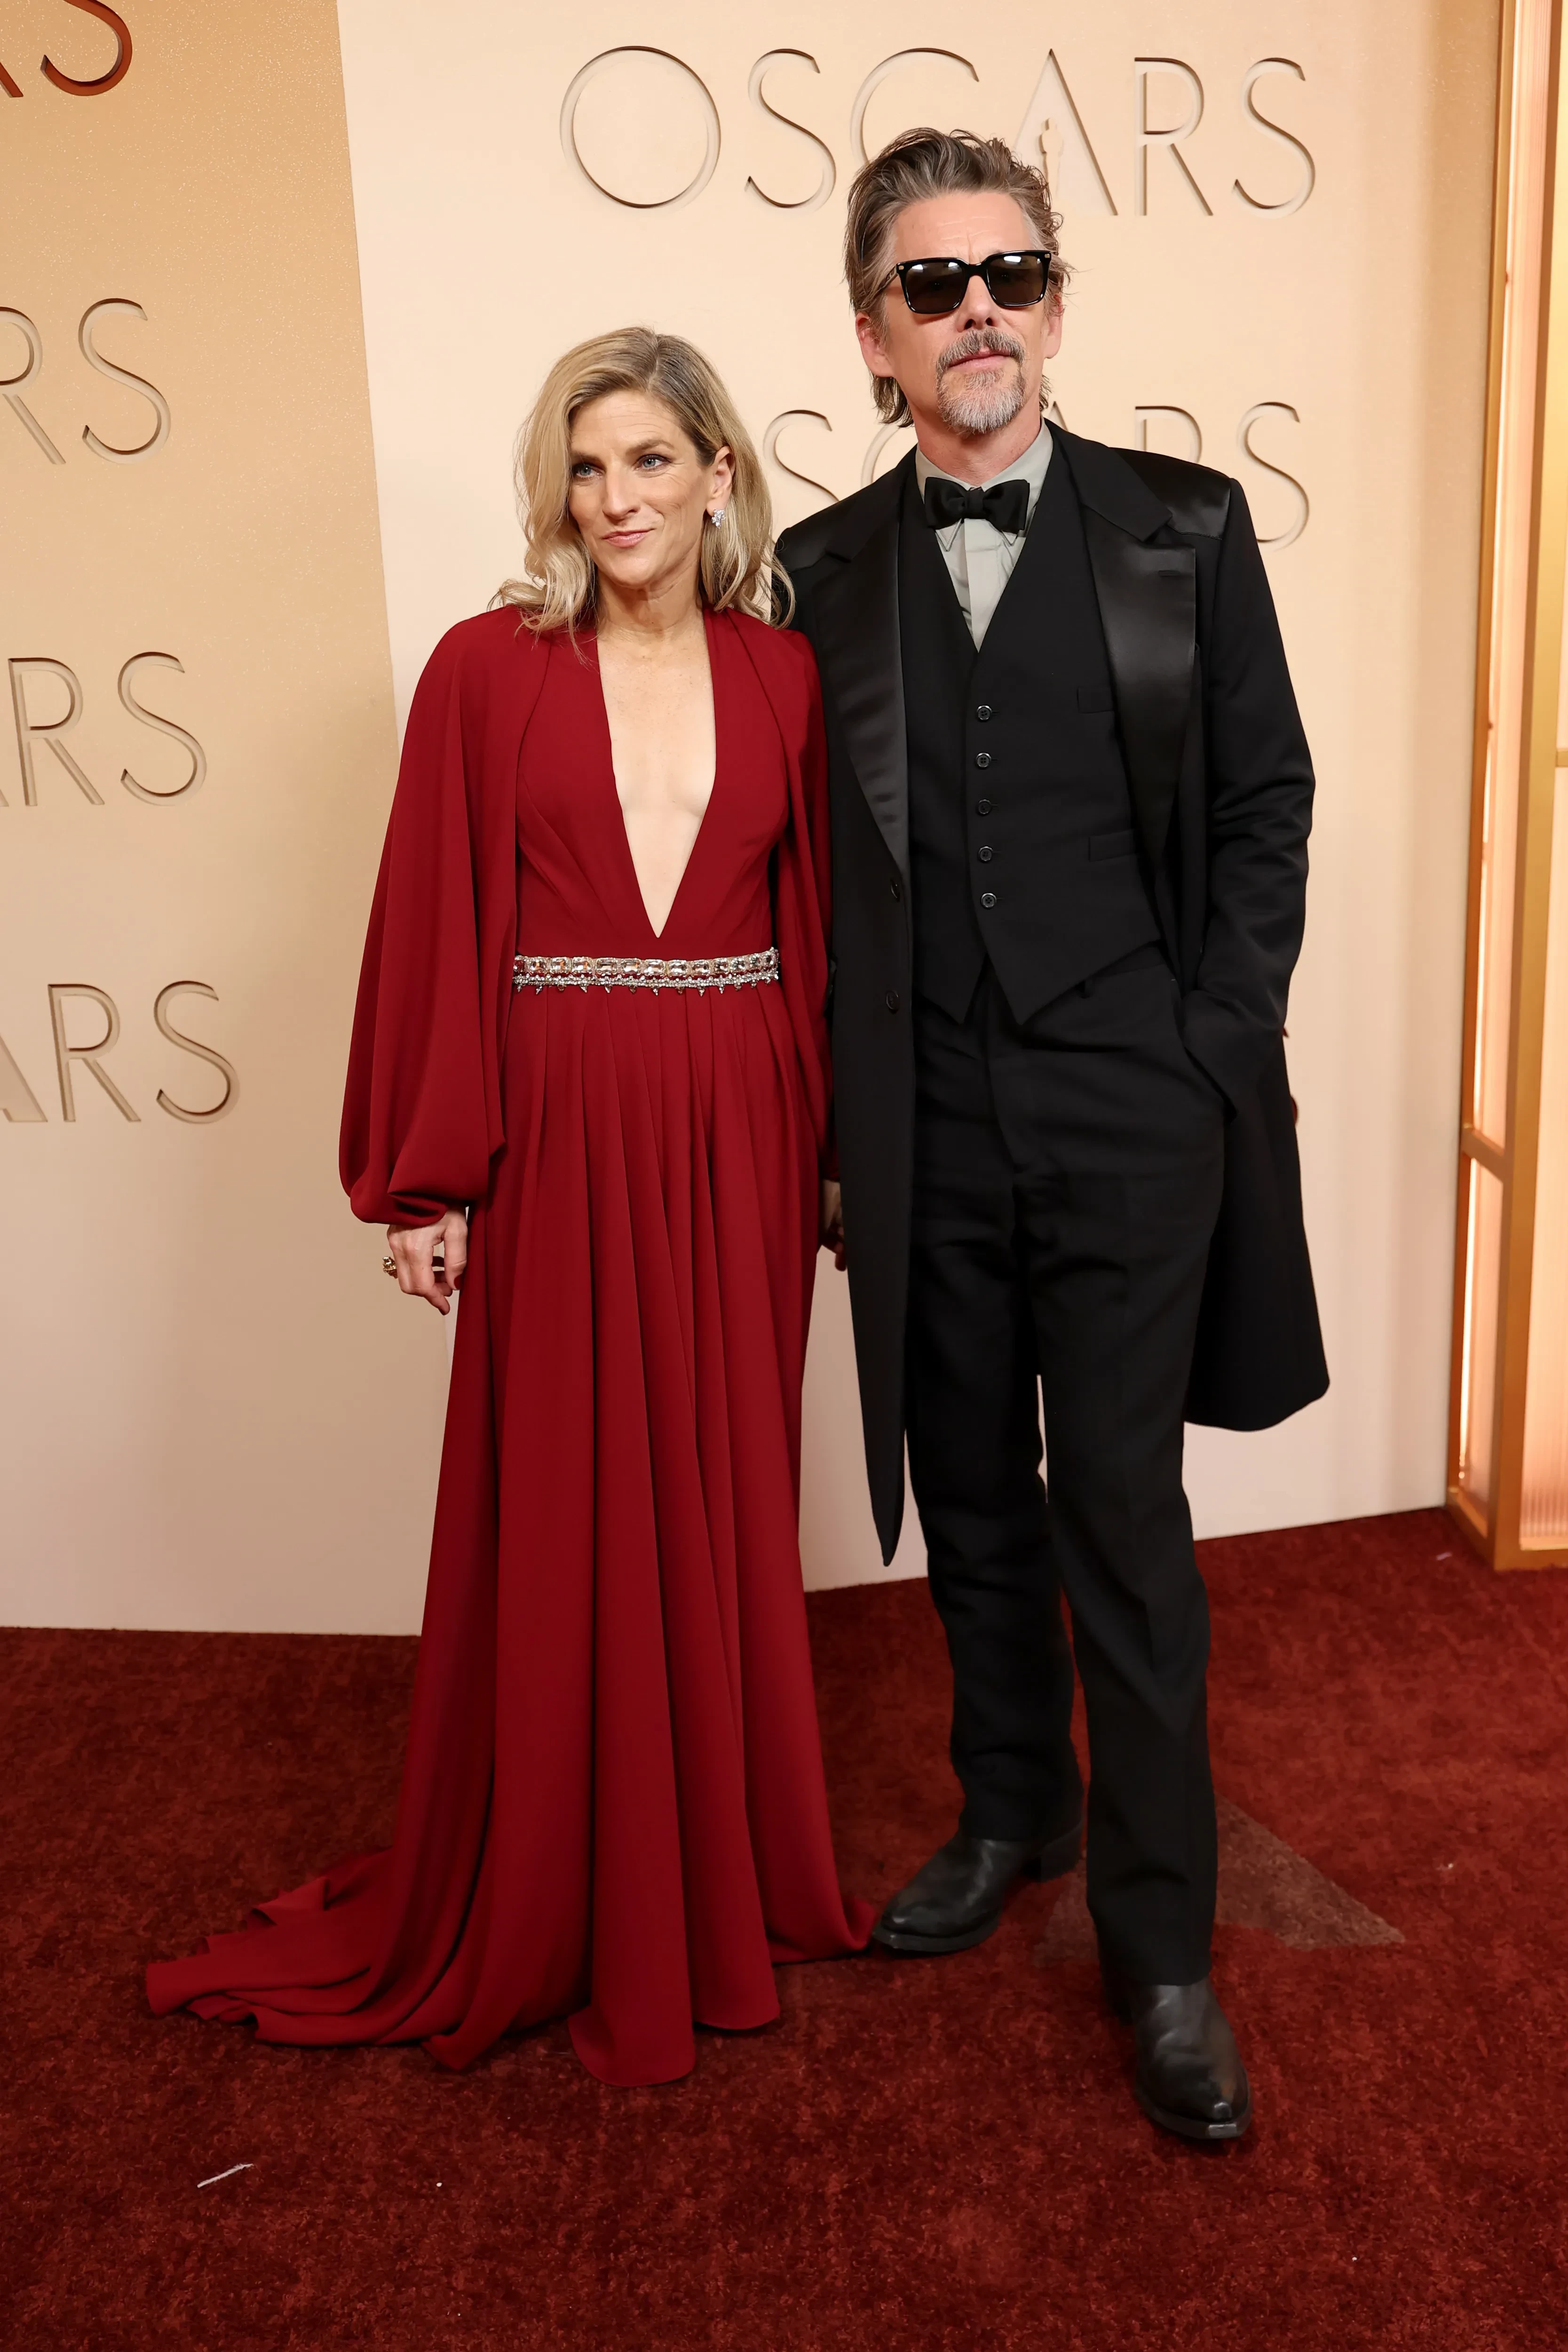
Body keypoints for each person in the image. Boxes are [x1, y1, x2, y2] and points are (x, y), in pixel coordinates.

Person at [148, 329, 872, 2088]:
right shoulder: (487, 671)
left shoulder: (785, 674)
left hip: (741, 1128)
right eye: (584, 465)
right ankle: (551, 1879)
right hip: (554, 1126)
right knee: (560, 1494)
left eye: (649, 460)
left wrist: (842, 1152)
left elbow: (825, 933)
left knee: (722, 1484)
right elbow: (431, 918)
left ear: (717, 474)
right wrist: (423, 1179)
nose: (614, 498)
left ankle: (713, 1866)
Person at [776, 129, 1324, 2143]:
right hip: (919, 1126)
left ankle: (1159, 1945)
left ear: (1055, 303)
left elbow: (1263, 799)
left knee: (1119, 1515)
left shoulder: (1185, 524)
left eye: (1009, 272)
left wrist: (1204, 1045)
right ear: (875, 336)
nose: (978, 310)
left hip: (1130, 1112)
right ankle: (1009, 1805)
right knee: (971, 1502)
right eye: (932, 285)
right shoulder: (814, 573)